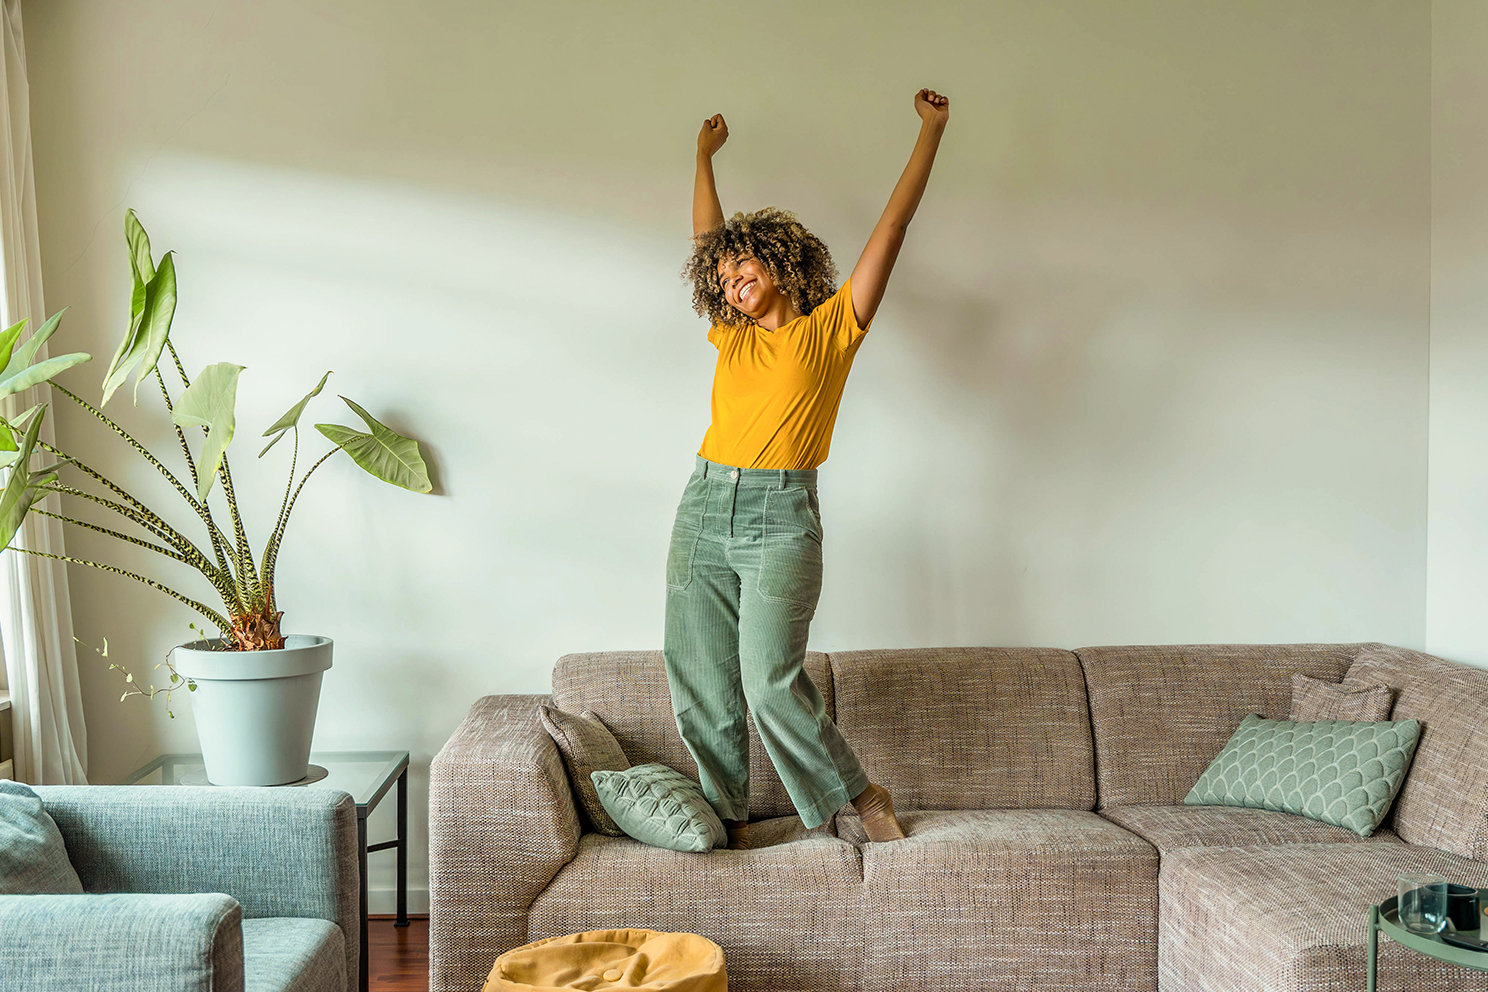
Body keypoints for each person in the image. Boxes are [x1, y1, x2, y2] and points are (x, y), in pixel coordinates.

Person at [664, 89, 950, 851]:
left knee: (768, 682)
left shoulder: (832, 330)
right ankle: (722, 822)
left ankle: (859, 792)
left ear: (781, 260)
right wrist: (701, 159)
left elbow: (892, 226)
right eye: (720, 279)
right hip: (702, 506)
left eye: (741, 265)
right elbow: (703, 236)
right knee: (700, 682)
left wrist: (931, 131)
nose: (729, 281)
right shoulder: (734, 339)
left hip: (780, 519)